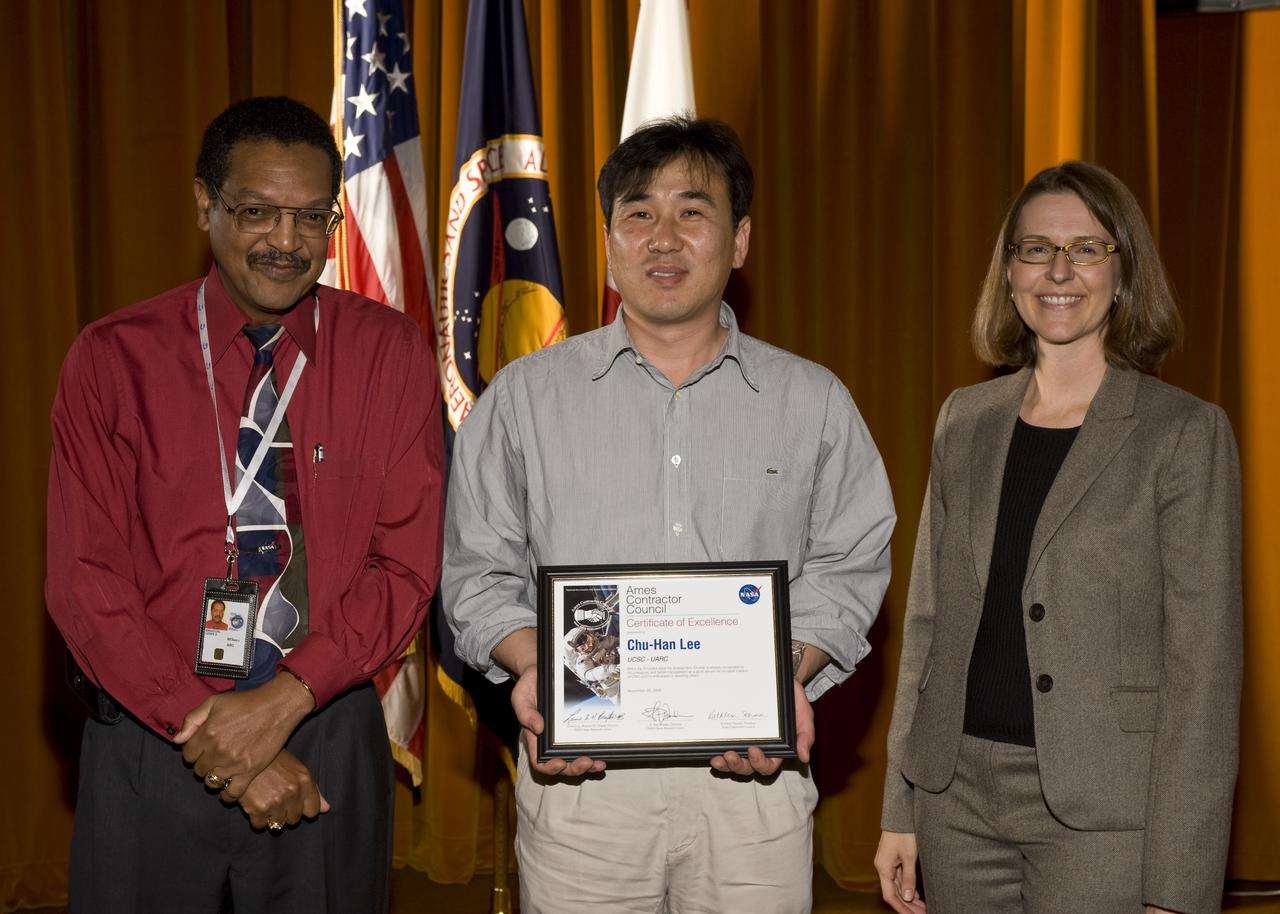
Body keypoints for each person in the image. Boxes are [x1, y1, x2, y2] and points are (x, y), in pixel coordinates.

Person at [442, 115, 895, 913]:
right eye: (638, 214)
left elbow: (851, 563)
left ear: (740, 239)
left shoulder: (813, 401)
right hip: (582, 782)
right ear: (610, 239)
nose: (663, 237)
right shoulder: (522, 399)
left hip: (754, 779)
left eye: (693, 211)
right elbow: (478, 571)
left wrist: (783, 677)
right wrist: (536, 672)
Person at [46, 96, 444, 913]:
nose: (287, 243)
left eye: (310, 218)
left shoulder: (391, 352)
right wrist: (219, 732)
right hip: (154, 730)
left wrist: (286, 700)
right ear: (205, 203)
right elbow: (84, 581)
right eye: (257, 212)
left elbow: (407, 562)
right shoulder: (111, 360)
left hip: (326, 727)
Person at [875, 161, 1242, 914]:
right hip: (956, 802)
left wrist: (1179, 883)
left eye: (1087, 249)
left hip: (1107, 811)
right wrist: (899, 808)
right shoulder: (964, 419)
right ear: (1009, 273)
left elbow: (1204, 672)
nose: (1059, 271)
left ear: (1124, 269)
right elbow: (928, 627)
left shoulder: (1183, 433)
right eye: (1036, 249)